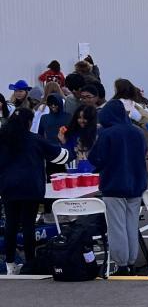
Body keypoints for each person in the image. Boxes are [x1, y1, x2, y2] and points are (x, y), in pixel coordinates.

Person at [0, 108, 69, 274]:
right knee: (28, 224)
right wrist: (63, 143)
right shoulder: (34, 139)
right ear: (29, 122)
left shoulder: (2, 138)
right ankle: (30, 262)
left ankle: (10, 264)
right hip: (31, 186)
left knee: (11, 224)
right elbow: (61, 157)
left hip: (8, 186)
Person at [88, 98, 148, 275]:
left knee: (117, 227)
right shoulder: (137, 132)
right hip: (136, 184)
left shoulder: (107, 134)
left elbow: (96, 158)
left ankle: (121, 264)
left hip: (114, 185)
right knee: (131, 225)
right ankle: (131, 261)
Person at [60, 104, 98, 169]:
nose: (81, 121)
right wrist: (63, 141)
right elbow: (68, 155)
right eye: (79, 117)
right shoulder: (72, 133)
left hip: (93, 173)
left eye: (85, 118)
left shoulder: (98, 133)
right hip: (74, 172)